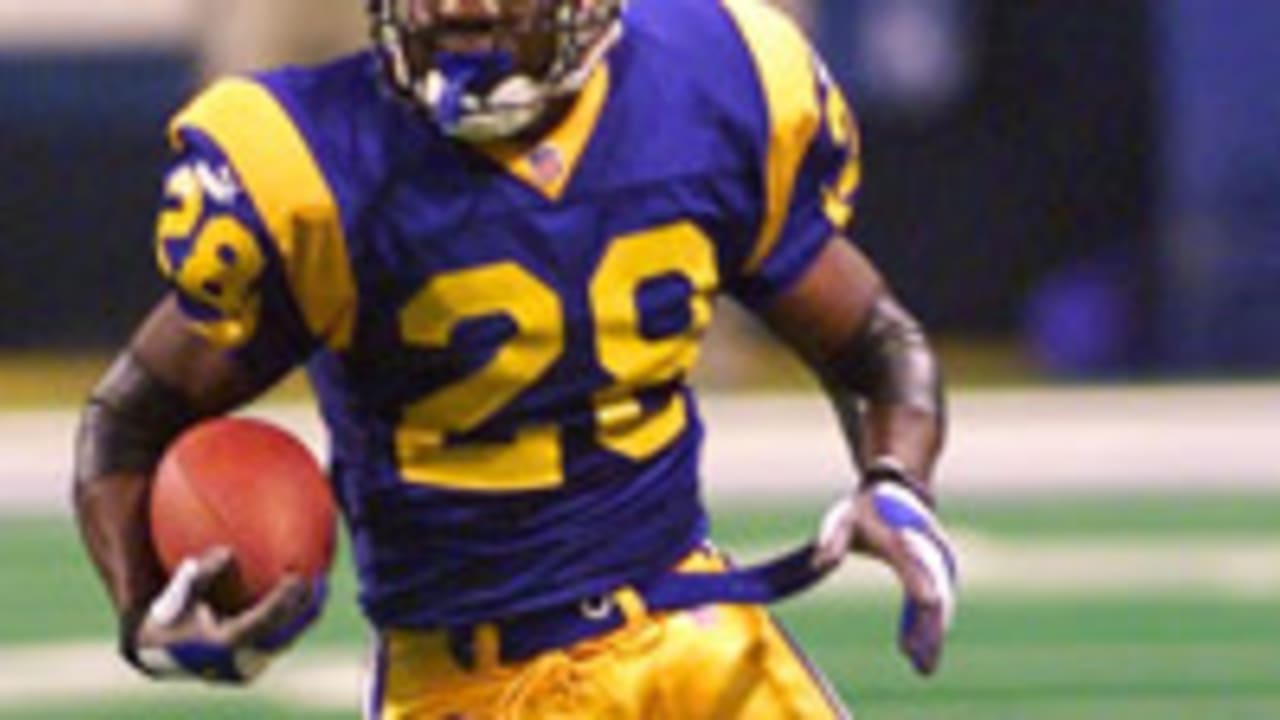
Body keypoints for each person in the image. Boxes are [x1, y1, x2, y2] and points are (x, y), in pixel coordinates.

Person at [72, 0, 957, 716]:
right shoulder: (314, 164)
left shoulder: (711, 84)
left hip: (689, 637)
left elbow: (876, 344)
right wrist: (146, 613)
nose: (462, 8)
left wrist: (895, 482)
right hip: (465, 686)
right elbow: (127, 424)